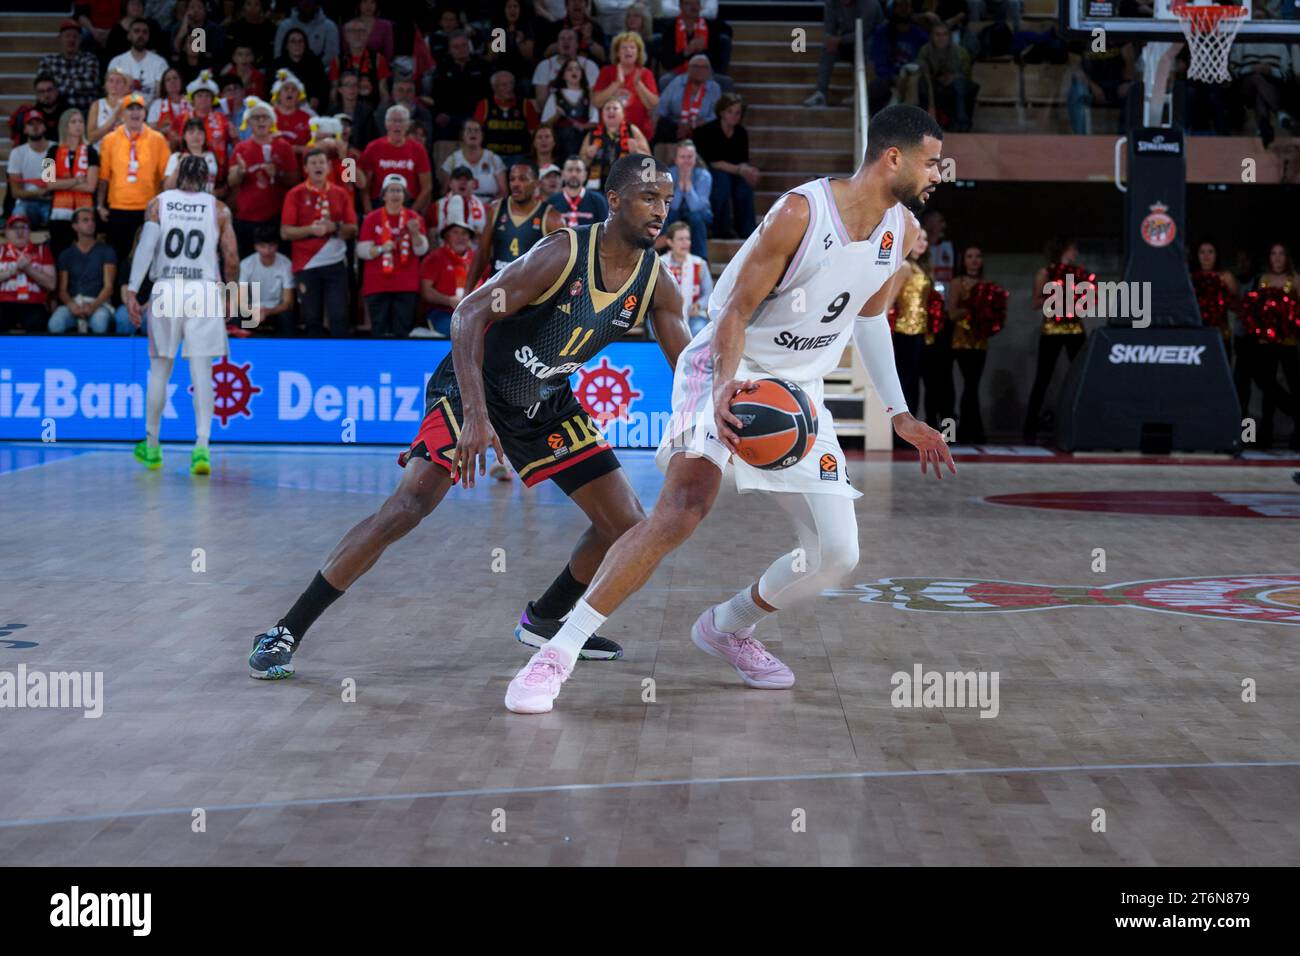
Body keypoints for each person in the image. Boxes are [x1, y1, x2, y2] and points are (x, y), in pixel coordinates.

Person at [501, 105, 954, 714]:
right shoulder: (802, 211)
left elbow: (870, 317)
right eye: (931, 162)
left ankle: (727, 627)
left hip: (798, 395)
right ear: (893, 158)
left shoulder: (897, 228)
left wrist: (899, 412)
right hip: (728, 368)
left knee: (838, 553)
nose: (939, 174)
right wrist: (719, 390)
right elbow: (735, 310)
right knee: (682, 510)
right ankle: (556, 652)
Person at [243, 153, 691, 682]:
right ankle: (286, 630)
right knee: (410, 504)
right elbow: (468, 313)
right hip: (474, 384)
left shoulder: (657, 285)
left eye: (665, 198)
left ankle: (546, 619)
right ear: (614, 201)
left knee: (627, 526)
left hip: (543, 397)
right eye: (647, 198)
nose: (660, 209)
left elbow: (692, 366)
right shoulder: (562, 253)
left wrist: (718, 417)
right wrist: (476, 417)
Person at [123, 155, 240, 475]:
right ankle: (201, 448)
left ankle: (152, 444)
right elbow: (230, 256)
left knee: (160, 369)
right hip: (203, 289)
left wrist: (134, 290)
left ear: (176, 176)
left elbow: (145, 247)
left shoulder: (159, 203)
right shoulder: (218, 209)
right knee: (202, 372)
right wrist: (232, 293)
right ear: (206, 179)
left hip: (167, 288)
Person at [281, 146, 358, 337]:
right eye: (313, 163)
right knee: (311, 316)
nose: (318, 166)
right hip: (306, 263)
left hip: (335, 261)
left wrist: (335, 227)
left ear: (330, 167)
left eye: (322, 162)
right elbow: (285, 232)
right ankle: (315, 362)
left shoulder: (342, 190)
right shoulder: (295, 194)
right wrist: (311, 230)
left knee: (339, 314)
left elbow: (353, 228)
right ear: (305, 168)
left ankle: (341, 359)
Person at [1024, 237, 1091, 444]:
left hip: (1075, 328)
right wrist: (1057, 296)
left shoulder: (1078, 274)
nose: (1075, 254)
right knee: (1042, 379)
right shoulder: (1046, 273)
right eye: (1073, 249)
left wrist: (1081, 296)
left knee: (1084, 376)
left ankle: (1085, 425)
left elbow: (1087, 303)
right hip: (1052, 329)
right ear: (1063, 250)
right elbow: (1036, 303)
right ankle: (1029, 431)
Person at [96, 93, 171, 268]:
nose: (135, 113)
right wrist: (99, 205)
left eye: (139, 109)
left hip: (148, 210)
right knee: (118, 258)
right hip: (116, 209)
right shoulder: (109, 140)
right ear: (122, 114)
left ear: (145, 113)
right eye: (130, 109)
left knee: (147, 260)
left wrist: (164, 206)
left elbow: (164, 177)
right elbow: (103, 177)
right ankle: (118, 295)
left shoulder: (158, 139)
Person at [466, 161, 565, 291]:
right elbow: (482, 254)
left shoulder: (552, 217)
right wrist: (467, 290)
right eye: (512, 179)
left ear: (537, 183)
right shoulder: (496, 209)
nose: (516, 184)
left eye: (523, 179)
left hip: (530, 294)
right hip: (499, 291)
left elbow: (562, 262)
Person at [357, 173, 429, 337]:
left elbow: (422, 250)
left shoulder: (414, 218)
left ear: (405, 196)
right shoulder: (372, 219)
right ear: (383, 195)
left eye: (399, 191)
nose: (395, 194)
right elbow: (361, 251)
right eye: (391, 190)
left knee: (402, 331)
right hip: (377, 284)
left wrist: (415, 233)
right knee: (379, 330)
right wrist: (382, 248)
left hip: (406, 285)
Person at [227, 97, 299, 258]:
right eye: (256, 117)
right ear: (249, 122)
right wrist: (240, 171)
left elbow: (294, 180)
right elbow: (231, 181)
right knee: (247, 268)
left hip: (277, 217)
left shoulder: (348, 158)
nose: (261, 121)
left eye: (265, 117)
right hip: (247, 218)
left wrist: (278, 173)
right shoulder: (241, 148)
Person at [947, 244, 1004, 444]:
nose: (974, 260)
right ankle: (964, 431)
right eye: (970, 256)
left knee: (973, 386)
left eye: (978, 256)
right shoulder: (957, 282)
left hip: (979, 341)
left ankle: (972, 431)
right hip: (961, 341)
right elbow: (952, 313)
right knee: (967, 386)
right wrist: (971, 307)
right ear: (963, 261)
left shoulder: (987, 285)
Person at [692, 92, 757, 240]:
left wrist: (748, 171)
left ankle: (747, 229)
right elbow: (714, 161)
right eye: (730, 112)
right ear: (721, 112)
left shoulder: (741, 132)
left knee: (744, 185)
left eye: (738, 113)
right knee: (722, 183)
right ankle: (721, 229)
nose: (734, 116)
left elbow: (742, 160)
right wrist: (740, 170)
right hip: (711, 170)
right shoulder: (709, 130)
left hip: (733, 170)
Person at [48, 208, 118, 335]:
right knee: (55, 323)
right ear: (75, 226)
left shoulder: (107, 251)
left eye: (92, 220)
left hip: (99, 304)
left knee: (99, 323)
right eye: (85, 220)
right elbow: (62, 290)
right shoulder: (66, 254)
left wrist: (92, 306)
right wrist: (71, 305)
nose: (91, 223)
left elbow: (109, 288)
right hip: (74, 303)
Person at [804, 0, 884, 107]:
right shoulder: (831, 3)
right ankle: (820, 93)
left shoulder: (869, 3)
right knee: (828, 47)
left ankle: (861, 92)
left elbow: (865, 32)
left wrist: (840, 40)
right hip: (847, 42)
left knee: (865, 44)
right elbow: (829, 30)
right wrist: (831, 39)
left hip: (873, 45)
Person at [359, 104, 434, 215]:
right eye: (393, 121)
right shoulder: (372, 148)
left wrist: (411, 212)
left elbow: (427, 187)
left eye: (401, 121)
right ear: (386, 124)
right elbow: (364, 186)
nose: (397, 125)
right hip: (379, 203)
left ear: (408, 125)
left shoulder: (418, 149)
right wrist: (369, 211)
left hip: (408, 203)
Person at [890, 229, 932, 428]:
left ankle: (912, 427)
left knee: (915, 382)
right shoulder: (905, 266)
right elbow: (888, 302)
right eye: (918, 238)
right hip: (905, 331)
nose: (922, 243)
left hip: (920, 332)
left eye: (925, 239)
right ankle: (902, 431)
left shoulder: (920, 266)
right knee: (906, 382)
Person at [44, 110, 100, 258]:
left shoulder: (91, 151)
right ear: (65, 125)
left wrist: (61, 183)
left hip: (84, 212)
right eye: (73, 122)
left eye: (81, 121)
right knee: (59, 254)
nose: (78, 125)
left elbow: (90, 186)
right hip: (59, 213)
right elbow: (48, 183)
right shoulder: (52, 150)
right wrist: (76, 180)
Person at [417, 203, 476, 338]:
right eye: (455, 233)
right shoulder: (435, 258)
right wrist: (449, 301)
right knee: (458, 335)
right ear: (446, 237)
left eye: (464, 233)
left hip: (474, 313)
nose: (461, 237)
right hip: (442, 312)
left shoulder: (476, 259)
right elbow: (426, 292)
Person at [592, 31, 659, 142]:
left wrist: (638, 84)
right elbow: (596, 102)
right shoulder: (606, 71)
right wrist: (616, 83)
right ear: (617, 53)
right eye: (624, 48)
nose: (628, 50)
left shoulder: (645, 73)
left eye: (632, 47)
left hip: (639, 133)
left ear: (638, 53)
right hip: (610, 133)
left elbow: (653, 104)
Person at [429, 31, 492, 142]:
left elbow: (489, 95)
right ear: (450, 50)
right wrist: (439, 114)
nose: (461, 49)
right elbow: (436, 95)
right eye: (456, 47)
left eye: (464, 45)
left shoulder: (482, 66)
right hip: (450, 117)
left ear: (469, 46)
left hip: (476, 115)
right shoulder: (442, 68)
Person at [0, 214, 57, 333]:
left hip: (33, 303)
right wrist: (12, 271)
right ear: (6, 232)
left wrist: (29, 269)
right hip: (4, 302)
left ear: (29, 231)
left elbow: (51, 284)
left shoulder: (42, 250)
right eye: (14, 228)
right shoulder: (0, 251)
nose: (19, 232)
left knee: (37, 321)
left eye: (24, 227)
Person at [580, 99, 650, 191]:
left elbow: (649, 161)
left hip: (627, 185)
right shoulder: (592, 133)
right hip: (597, 185)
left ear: (623, 114)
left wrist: (636, 151)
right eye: (607, 108)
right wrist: (588, 156)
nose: (611, 111)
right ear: (602, 114)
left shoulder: (632, 130)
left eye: (615, 108)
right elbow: (581, 164)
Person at [239, 223, 296, 335]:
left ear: (277, 245)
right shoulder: (246, 264)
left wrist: (268, 312)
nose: (267, 251)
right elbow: (241, 301)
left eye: (271, 246)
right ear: (255, 246)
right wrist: (254, 310)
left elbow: (288, 302)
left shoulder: (286, 264)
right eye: (262, 246)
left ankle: (287, 349)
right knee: (236, 316)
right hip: (252, 311)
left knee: (288, 317)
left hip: (275, 311)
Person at [474, 71, 542, 164]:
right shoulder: (484, 105)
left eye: (511, 84)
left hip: (520, 155)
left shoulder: (525, 104)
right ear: (494, 87)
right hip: (491, 155)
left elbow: (534, 132)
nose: (509, 88)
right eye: (504, 85)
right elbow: (476, 132)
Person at [658, 219, 711, 336]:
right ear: (670, 242)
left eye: (688, 239)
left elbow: (708, 293)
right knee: (655, 331)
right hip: (664, 313)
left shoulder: (700, 264)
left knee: (698, 329)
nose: (685, 243)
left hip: (693, 314)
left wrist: (698, 305)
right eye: (681, 239)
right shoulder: (660, 264)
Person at [653, 54, 720, 145]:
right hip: (675, 127)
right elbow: (662, 107)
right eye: (696, 66)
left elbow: (714, 115)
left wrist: (692, 125)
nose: (699, 70)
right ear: (688, 69)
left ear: (709, 71)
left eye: (704, 67)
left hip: (701, 128)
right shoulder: (677, 82)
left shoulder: (714, 88)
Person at [39, 19, 102, 116]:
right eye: (67, 36)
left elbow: (91, 84)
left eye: (75, 36)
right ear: (60, 38)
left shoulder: (90, 59)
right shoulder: (48, 61)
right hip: (56, 112)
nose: (71, 40)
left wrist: (59, 86)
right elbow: (43, 88)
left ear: (80, 39)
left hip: (84, 111)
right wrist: (75, 83)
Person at [654, 0, 731, 77]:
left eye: (696, 3)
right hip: (678, 74)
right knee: (665, 81)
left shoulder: (710, 27)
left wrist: (703, 52)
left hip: (706, 74)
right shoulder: (670, 29)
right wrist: (686, 52)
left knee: (725, 82)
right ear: (680, 7)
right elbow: (666, 63)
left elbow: (716, 63)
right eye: (688, 3)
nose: (693, 7)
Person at [541, 57, 599, 158]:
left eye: (577, 69)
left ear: (582, 74)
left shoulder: (589, 95)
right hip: (560, 145)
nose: (574, 71)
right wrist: (557, 115)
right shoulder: (555, 96)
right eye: (570, 69)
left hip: (583, 144)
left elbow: (595, 121)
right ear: (563, 75)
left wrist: (582, 126)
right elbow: (544, 124)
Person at [532, 27, 600, 113]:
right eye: (562, 38)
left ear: (577, 44)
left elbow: (594, 97)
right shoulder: (544, 66)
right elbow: (541, 100)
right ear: (557, 44)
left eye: (570, 38)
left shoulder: (590, 66)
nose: (566, 41)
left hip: (582, 114)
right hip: (554, 115)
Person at [7, 110, 54, 231]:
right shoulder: (17, 153)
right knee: (18, 216)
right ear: (24, 130)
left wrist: (45, 191)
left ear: (44, 127)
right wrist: (38, 193)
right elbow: (15, 192)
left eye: (38, 123)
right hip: (27, 203)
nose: (35, 127)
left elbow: (51, 182)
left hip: (51, 202)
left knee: (59, 221)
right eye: (30, 124)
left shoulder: (54, 149)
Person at [438, 118, 507, 201]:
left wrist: (488, 207)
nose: (473, 133)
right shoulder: (452, 161)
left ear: (482, 136)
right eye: (469, 130)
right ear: (462, 135)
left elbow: (504, 192)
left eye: (477, 130)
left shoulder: (494, 159)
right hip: (459, 207)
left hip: (489, 207)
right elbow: (444, 192)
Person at [665, 139, 711, 260]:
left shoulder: (704, 175)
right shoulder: (669, 174)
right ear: (676, 159)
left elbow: (696, 206)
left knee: (695, 217)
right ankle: (669, 260)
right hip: (675, 212)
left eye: (690, 157)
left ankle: (700, 260)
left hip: (699, 213)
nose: (686, 161)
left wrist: (688, 186)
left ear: (695, 159)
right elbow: (672, 205)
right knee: (671, 216)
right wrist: (680, 186)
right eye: (682, 157)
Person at [107, 19, 171, 104]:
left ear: (148, 37)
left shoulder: (159, 62)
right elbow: (112, 93)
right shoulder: (117, 61)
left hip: (151, 113)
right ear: (129, 35)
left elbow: (160, 94)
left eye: (145, 32)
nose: (141, 35)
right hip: (122, 111)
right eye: (136, 31)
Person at [330, 18, 391, 107]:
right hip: (344, 113)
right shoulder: (337, 61)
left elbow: (384, 92)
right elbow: (333, 93)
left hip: (371, 111)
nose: (357, 34)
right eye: (352, 31)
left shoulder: (378, 59)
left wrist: (379, 115)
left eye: (361, 31)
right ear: (346, 36)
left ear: (367, 35)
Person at [186, 72, 234, 182]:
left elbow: (235, 144)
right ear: (192, 99)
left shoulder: (222, 119)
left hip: (218, 177)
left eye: (207, 96)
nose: (203, 99)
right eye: (199, 95)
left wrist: (235, 137)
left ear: (213, 100)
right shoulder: (182, 119)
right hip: (188, 176)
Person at [274, 27, 330, 111]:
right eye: (293, 41)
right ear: (286, 45)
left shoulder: (315, 64)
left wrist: (317, 100)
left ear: (305, 44)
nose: (297, 44)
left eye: (300, 41)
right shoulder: (277, 65)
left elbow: (323, 90)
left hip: (310, 110)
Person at [427, 165, 490, 238]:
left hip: (474, 248)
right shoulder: (436, 207)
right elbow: (432, 238)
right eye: (458, 179)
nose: (463, 182)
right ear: (450, 184)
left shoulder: (485, 208)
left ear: (473, 184)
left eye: (467, 179)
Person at [546, 154, 608, 228]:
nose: (574, 174)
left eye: (578, 170)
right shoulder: (551, 202)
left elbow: (604, 230)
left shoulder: (598, 200)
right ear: (562, 174)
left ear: (585, 175)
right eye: (570, 170)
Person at [274, 0, 341, 68]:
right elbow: (278, 54)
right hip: (289, 71)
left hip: (320, 71)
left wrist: (312, 69)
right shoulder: (285, 26)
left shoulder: (329, 26)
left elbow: (332, 56)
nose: (306, 2)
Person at [164, 118, 220, 194]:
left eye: (200, 132)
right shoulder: (176, 157)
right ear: (184, 136)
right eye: (191, 132)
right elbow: (167, 187)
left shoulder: (211, 156)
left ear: (205, 136)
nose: (196, 136)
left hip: (206, 201)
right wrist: (180, 164)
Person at [270, 70, 317, 159]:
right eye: (286, 89)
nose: (290, 92)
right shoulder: (268, 115)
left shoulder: (307, 118)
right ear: (278, 95)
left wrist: (297, 149)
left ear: (299, 96)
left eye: (294, 90)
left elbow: (315, 148)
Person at [330, 69, 378, 151]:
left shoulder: (367, 112)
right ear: (340, 90)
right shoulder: (332, 112)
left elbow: (371, 139)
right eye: (347, 85)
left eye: (355, 85)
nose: (352, 88)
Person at [88, 67, 132, 147]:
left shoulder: (131, 105)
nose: (114, 84)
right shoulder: (97, 105)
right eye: (111, 81)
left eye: (118, 81)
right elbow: (90, 138)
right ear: (105, 85)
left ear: (126, 87)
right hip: (100, 151)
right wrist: (114, 118)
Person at [148, 68, 191, 148]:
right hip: (164, 147)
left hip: (189, 146)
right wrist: (162, 130)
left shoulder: (191, 102)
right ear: (164, 85)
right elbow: (150, 131)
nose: (172, 81)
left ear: (181, 81)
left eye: (175, 78)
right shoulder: (157, 104)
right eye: (168, 80)